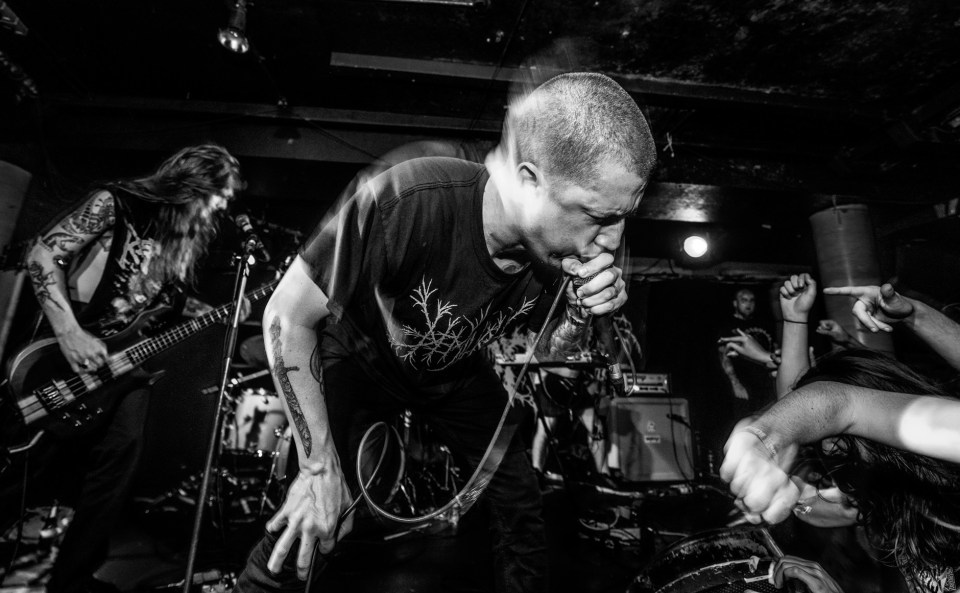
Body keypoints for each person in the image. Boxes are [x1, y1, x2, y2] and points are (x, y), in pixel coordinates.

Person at [234, 71, 656, 592]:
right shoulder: (410, 196)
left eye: (623, 218)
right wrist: (317, 465)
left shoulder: (557, 254)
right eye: (598, 215)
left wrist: (580, 312)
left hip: (454, 374)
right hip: (362, 359)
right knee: (321, 516)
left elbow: (551, 354)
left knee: (519, 497)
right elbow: (285, 315)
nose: (611, 242)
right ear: (528, 181)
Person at [19, 144, 244, 593]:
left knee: (120, 459)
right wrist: (68, 331)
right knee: (33, 461)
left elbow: (153, 306)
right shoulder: (117, 202)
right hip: (69, 352)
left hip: (126, 365)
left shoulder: (183, 242)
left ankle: (74, 577)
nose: (223, 207)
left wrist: (217, 314)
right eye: (221, 195)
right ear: (195, 184)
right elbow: (42, 254)